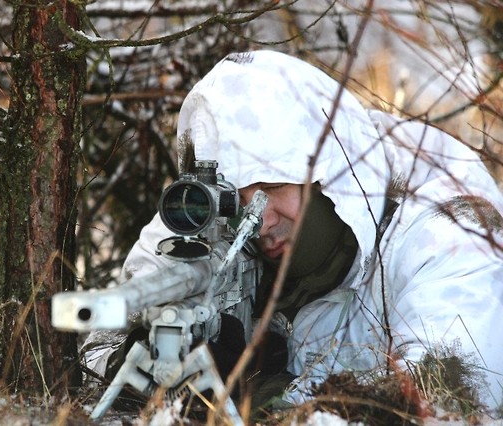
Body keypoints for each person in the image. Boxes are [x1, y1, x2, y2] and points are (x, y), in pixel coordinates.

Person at [86, 50, 503, 416]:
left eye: (271, 188)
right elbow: (93, 345)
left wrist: (267, 400)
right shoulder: (200, 215)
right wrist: (134, 366)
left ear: (327, 177)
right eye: (237, 200)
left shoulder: (448, 226)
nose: (260, 221)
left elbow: (448, 396)